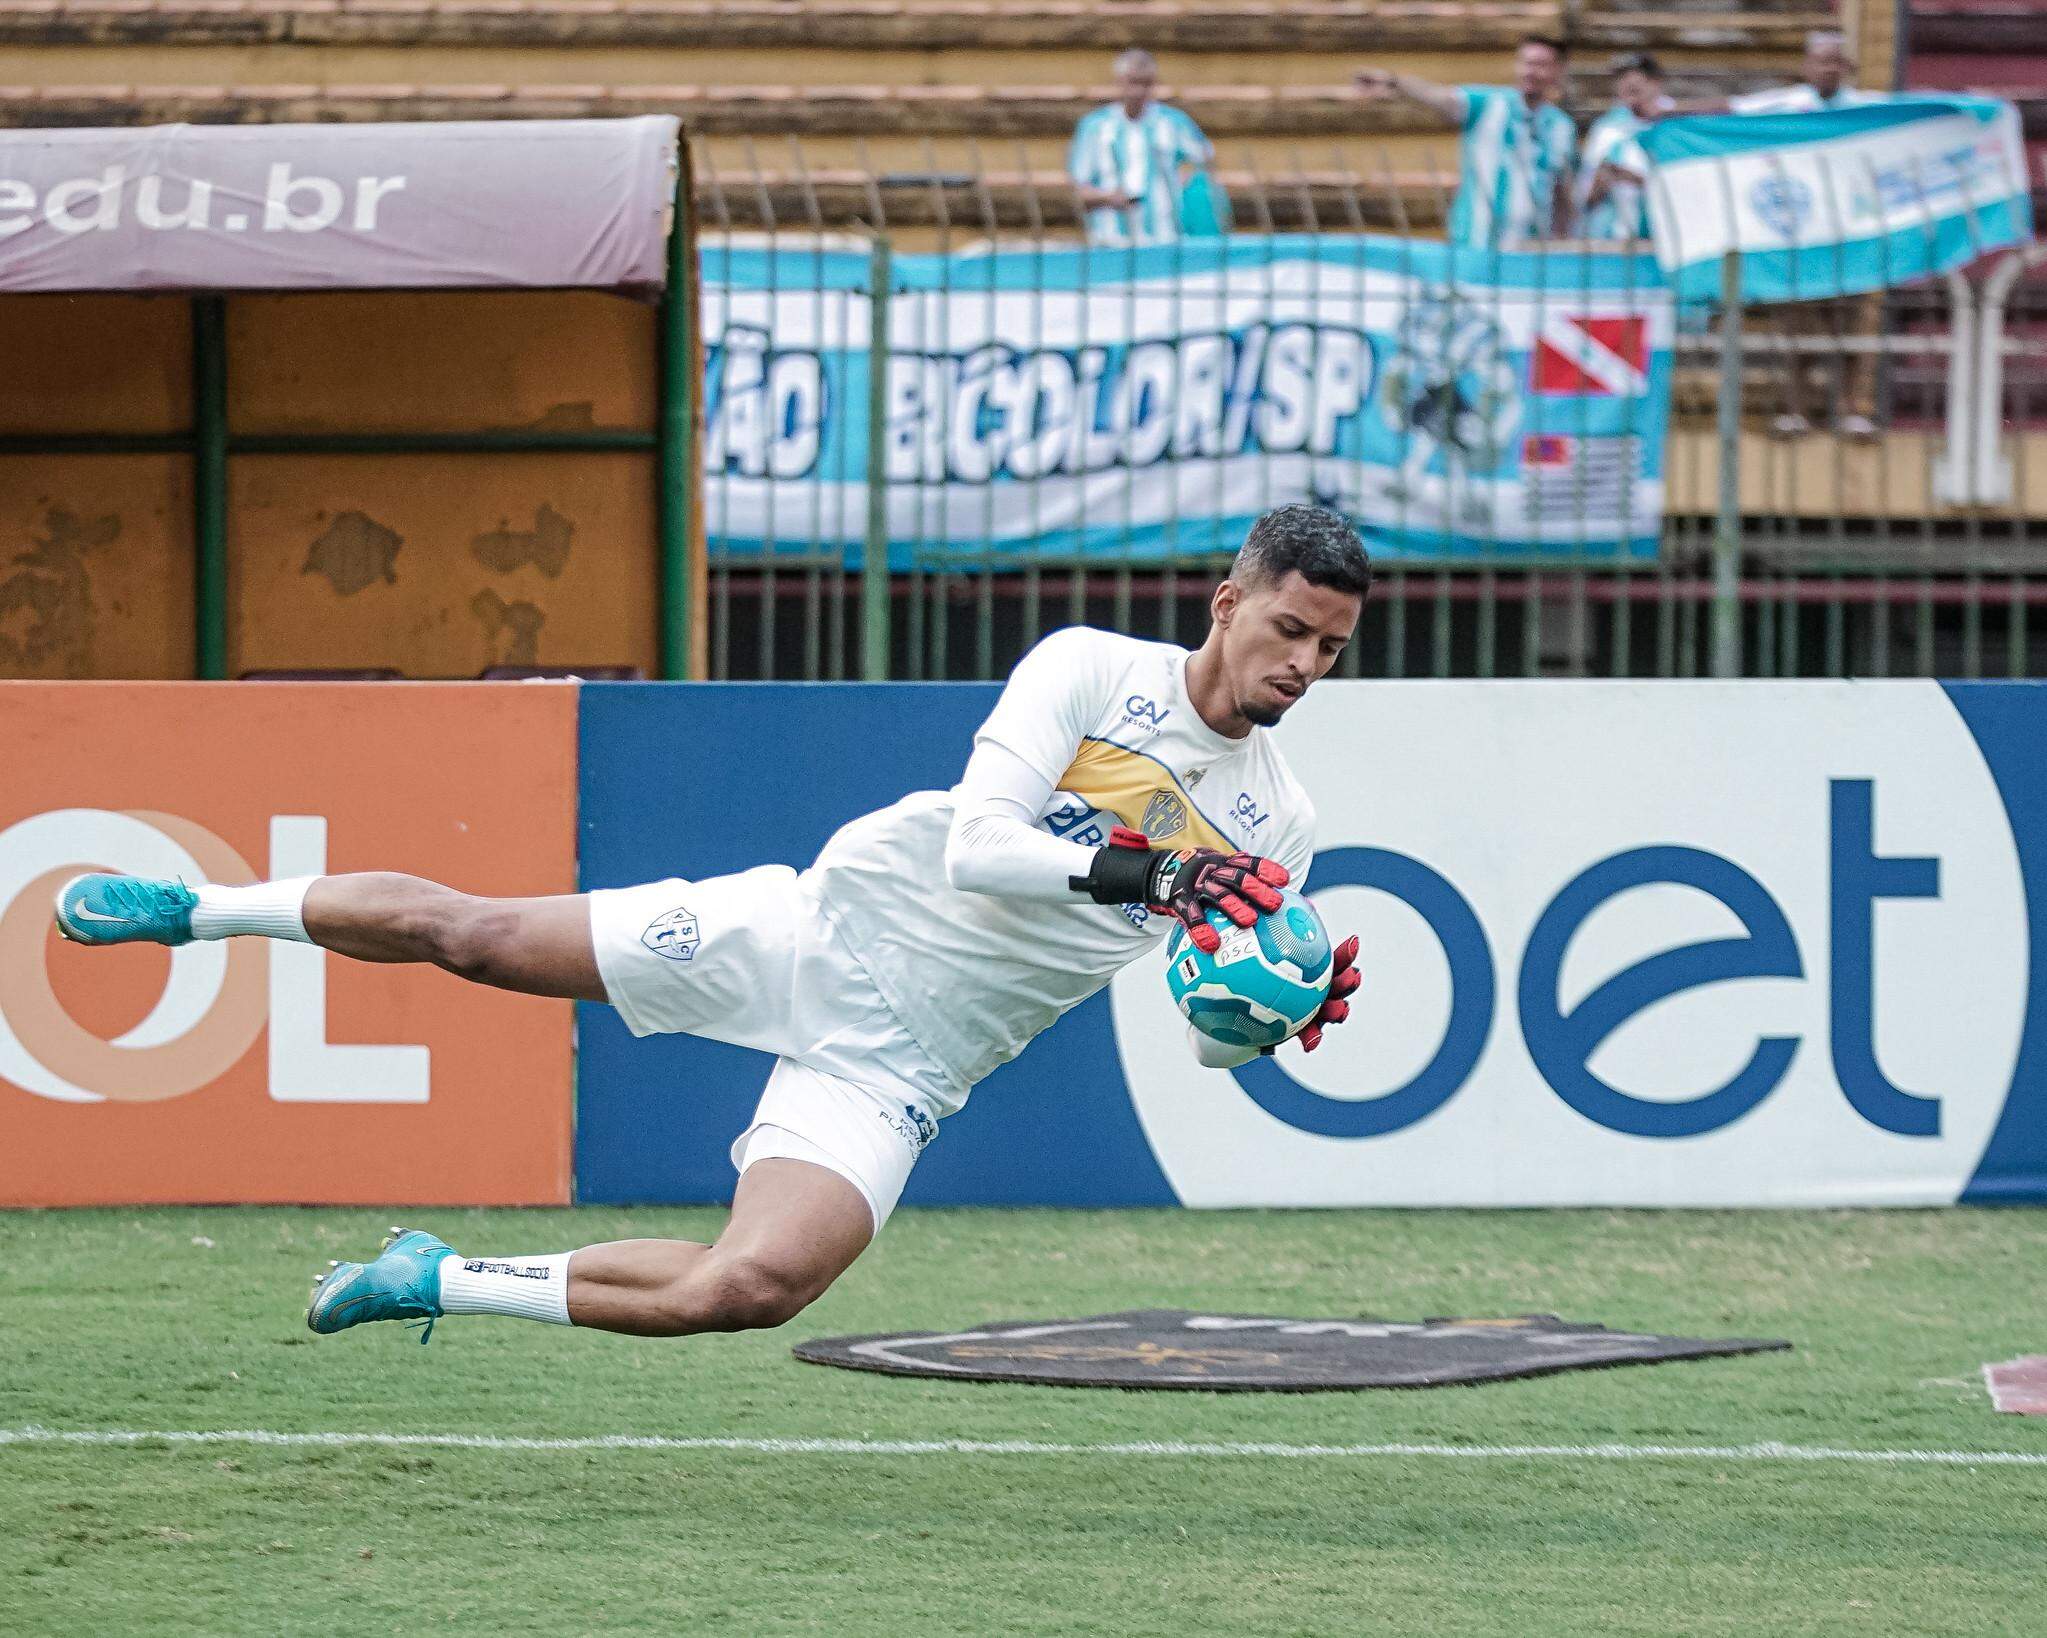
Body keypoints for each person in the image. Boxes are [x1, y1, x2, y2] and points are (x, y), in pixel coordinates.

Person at [55, 504, 1369, 1345]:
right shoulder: (1089, 668)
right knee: (473, 935)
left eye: (1329, 649)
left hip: (904, 1065)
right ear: (1226, 603)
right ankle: (196, 905)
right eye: (1289, 629)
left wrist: (1272, 1010)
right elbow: (979, 847)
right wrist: (1160, 880)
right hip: (815, 933)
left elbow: (1202, 1029)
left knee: (746, 1289)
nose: (1302, 666)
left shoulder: (1277, 821)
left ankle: (431, 1275)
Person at [1662, 32, 1887, 438]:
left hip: (1853, 238)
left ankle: (1852, 410)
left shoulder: (1866, 108)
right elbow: (1728, 110)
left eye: (1837, 61)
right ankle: (1795, 411)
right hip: (1798, 239)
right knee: (1797, 332)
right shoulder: (1787, 105)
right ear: (1806, 67)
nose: (1829, 68)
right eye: (1821, 61)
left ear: (1849, 68)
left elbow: (1922, 116)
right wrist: (1667, 111)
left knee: (1853, 330)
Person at [1355, 36, 1580, 248]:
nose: (1531, 71)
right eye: (1526, 63)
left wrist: (1561, 239)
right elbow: (1437, 97)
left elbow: (1562, 189)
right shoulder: (1487, 104)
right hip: (1476, 240)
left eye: (1541, 64)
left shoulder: (1563, 127)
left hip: (1531, 248)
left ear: (1557, 71)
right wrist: (1394, 82)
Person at [1068, 49, 1217, 245]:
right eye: (1132, 82)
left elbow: (1205, 161)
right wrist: (1108, 198)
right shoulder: (1095, 127)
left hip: (1166, 239)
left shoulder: (1173, 123)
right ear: (1119, 82)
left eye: (1145, 83)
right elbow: (1079, 189)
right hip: (1111, 241)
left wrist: (1184, 181)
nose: (1138, 91)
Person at [1576, 53, 1675, 242]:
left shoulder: (1676, 124)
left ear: (1657, 82)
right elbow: (1584, 197)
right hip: (1612, 241)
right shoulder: (1606, 129)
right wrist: (1598, 184)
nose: (1629, 82)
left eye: (1640, 76)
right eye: (1622, 77)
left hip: (1663, 239)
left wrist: (1639, 180)